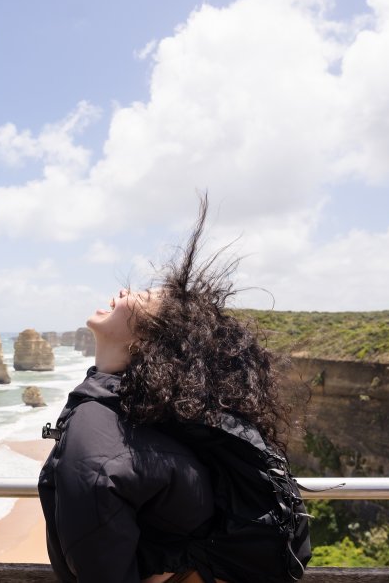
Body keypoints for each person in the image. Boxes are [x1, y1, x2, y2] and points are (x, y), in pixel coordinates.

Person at [38, 196, 296, 583]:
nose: (123, 292)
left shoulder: (98, 428)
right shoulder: (143, 411)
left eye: (141, 298)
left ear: (148, 343)